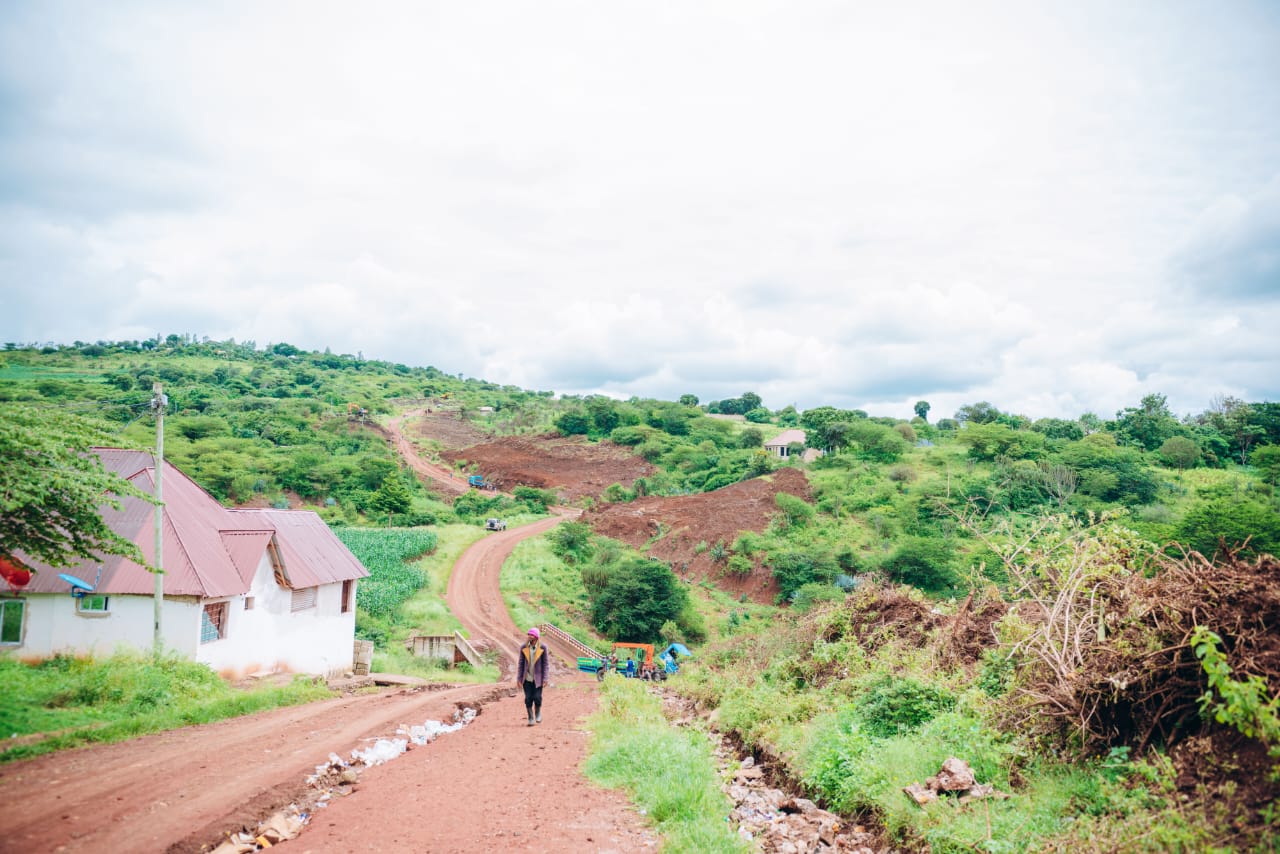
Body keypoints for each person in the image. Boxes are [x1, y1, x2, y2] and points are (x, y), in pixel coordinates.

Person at [516, 627, 549, 726]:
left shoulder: (543, 647)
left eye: (532, 635)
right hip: (527, 678)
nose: (530, 636)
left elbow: (546, 664)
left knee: (537, 697)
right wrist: (519, 678)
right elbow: (521, 663)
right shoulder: (524, 647)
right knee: (528, 698)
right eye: (529, 634)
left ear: (536, 637)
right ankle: (530, 718)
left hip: (538, 679)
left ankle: (537, 713)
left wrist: (545, 678)